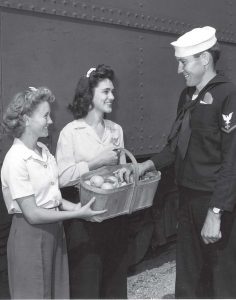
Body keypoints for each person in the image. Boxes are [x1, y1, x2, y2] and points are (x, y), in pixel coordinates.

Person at [123, 26, 236, 298]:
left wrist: (215, 213)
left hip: (214, 202)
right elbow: (175, 146)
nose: (178, 69)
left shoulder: (228, 95)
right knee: (189, 278)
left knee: (221, 279)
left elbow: (232, 161)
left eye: (183, 62)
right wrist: (145, 165)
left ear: (204, 59)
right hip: (186, 199)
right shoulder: (187, 97)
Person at [1, 87, 105, 299]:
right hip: (29, 237)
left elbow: (53, 197)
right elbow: (32, 213)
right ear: (26, 119)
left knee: (57, 293)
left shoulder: (44, 152)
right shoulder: (15, 159)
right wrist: (76, 214)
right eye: (45, 115)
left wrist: (76, 206)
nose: (50, 121)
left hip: (55, 233)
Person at [56, 64, 129, 299]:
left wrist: (124, 172)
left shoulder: (116, 130)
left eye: (113, 91)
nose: (112, 97)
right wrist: (95, 162)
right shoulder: (71, 132)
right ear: (89, 94)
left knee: (114, 285)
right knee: (85, 287)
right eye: (106, 91)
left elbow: (120, 170)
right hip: (84, 217)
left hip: (114, 215)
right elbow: (62, 177)